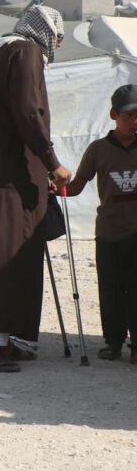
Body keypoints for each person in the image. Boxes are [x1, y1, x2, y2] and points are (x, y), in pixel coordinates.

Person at [0, 4, 72, 372]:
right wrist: (52, 163)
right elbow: (28, 112)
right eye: (57, 37)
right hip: (7, 178)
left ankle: (0, 341)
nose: (57, 45)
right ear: (46, 32)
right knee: (6, 257)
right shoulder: (25, 51)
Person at [65, 84, 137, 363]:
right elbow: (76, 186)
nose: (134, 121)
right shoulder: (98, 150)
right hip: (109, 232)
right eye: (129, 115)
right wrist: (54, 187)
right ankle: (113, 343)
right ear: (113, 115)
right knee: (111, 290)